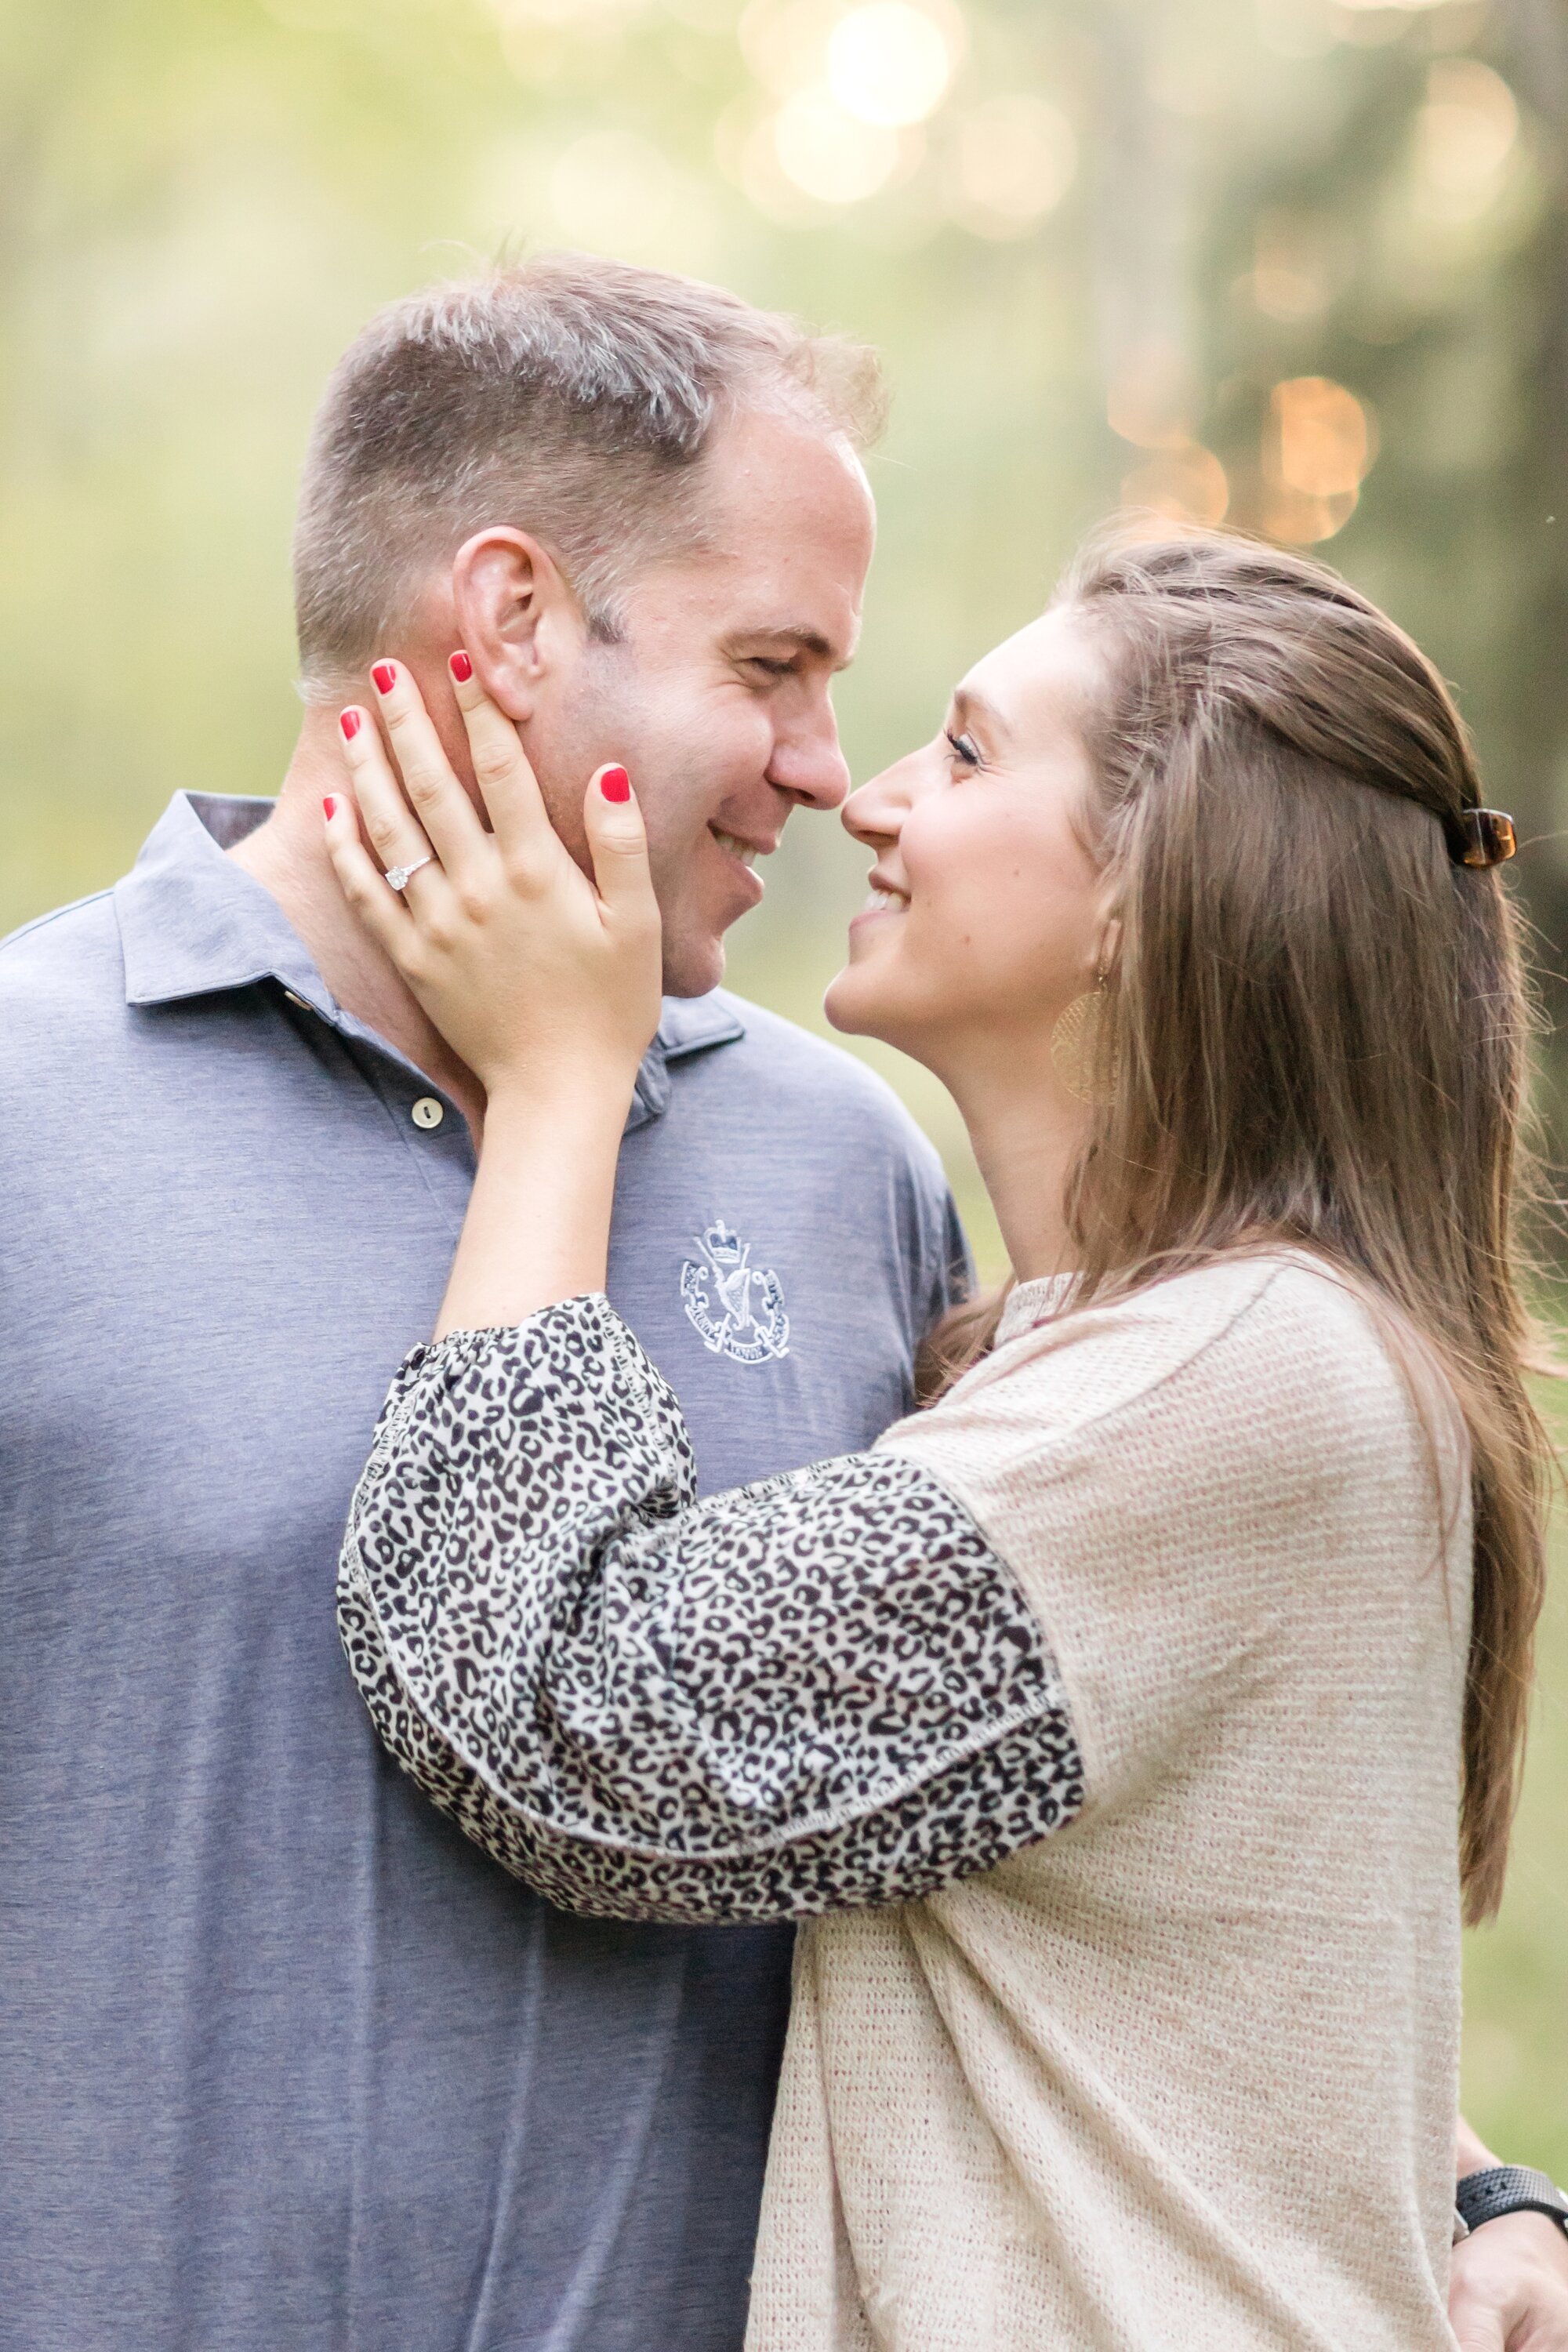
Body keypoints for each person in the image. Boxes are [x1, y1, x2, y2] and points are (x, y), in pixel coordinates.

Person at [326, 527, 1568, 2350]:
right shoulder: (1149, 1354)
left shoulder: (1233, 1381)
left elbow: (565, 1712)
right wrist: (1478, 2187)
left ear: (1152, 884)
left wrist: (560, 1082)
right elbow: (1213, 1974)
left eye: (969, 753)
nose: (874, 797)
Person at [0, 257, 965, 2351]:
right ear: (513, 617)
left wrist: (1462, 2188)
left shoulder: (848, 1169)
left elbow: (1043, 1799)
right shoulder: (17, 1108)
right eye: (776, 665)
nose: (828, 768)